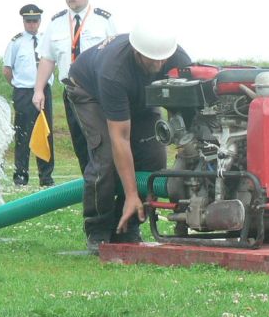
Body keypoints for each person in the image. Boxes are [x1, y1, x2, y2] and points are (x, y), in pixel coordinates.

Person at [65, 25, 191, 253]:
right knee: (105, 158)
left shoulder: (178, 59)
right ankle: (98, 229)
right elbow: (120, 138)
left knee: (154, 156)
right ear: (136, 52)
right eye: (152, 59)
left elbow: (185, 111)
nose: (159, 65)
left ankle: (130, 225)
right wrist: (131, 194)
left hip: (140, 98)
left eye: (163, 59)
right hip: (90, 93)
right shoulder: (114, 70)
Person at [33, 0, 116, 175]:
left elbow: (116, 57)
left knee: (100, 142)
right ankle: (89, 184)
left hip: (96, 92)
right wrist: (38, 90)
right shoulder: (56, 23)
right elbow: (47, 58)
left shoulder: (103, 20)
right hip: (71, 92)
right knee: (80, 144)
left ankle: (106, 182)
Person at [3, 4, 54, 187]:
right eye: (28, 21)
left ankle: (46, 177)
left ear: (40, 21)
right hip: (24, 92)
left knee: (45, 133)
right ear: (23, 21)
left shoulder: (46, 40)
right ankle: (20, 176)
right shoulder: (16, 42)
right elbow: (7, 70)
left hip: (44, 91)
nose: (32, 24)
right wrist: (18, 85)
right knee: (23, 134)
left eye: (35, 21)